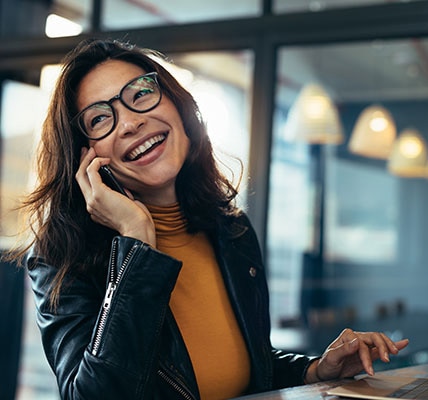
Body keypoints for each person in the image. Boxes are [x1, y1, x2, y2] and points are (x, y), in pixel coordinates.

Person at [12, 38, 408, 400]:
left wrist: (316, 369)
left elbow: (242, 365)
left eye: (141, 94)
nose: (131, 121)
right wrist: (136, 241)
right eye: (100, 118)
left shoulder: (230, 229)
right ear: (86, 156)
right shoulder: (61, 257)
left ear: (180, 108)